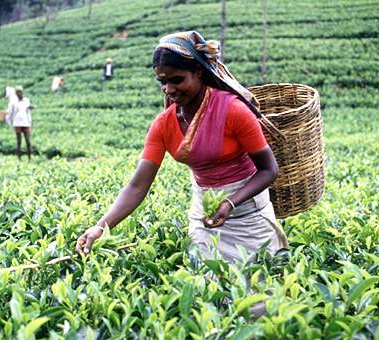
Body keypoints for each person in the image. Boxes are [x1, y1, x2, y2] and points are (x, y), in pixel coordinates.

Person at [76, 31, 288, 264]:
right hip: (205, 218)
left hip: (248, 215)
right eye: (162, 82)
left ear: (198, 72)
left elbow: (269, 170)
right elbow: (137, 186)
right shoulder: (163, 125)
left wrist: (230, 203)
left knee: (258, 292)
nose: (168, 89)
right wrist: (100, 227)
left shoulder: (233, 111)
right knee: (209, 289)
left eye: (176, 80)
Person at [7, 85, 33, 161]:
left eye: (20, 92)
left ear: (22, 92)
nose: (19, 94)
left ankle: (29, 158)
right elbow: (10, 112)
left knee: (28, 141)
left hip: (25, 122)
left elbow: (28, 112)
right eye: (17, 92)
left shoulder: (27, 100)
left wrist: (30, 121)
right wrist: (9, 121)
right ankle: (19, 158)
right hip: (17, 123)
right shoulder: (13, 102)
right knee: (19, 142)